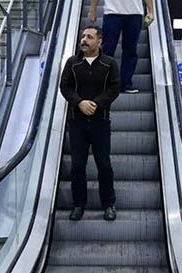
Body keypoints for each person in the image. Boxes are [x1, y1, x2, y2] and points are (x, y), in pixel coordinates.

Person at [60, 26, 121, 222]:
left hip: (100, 122)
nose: (84, 40)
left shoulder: (109, 64)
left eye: (89, 37)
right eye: (83, 36)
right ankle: (78, 205)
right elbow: (65, 86)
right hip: (76, 122)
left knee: (104, 165)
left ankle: (108, 204)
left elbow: (114, 88)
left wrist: (97, 104)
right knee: (78, 165)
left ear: (99, 41)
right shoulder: (72, 63)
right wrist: (79, 102)